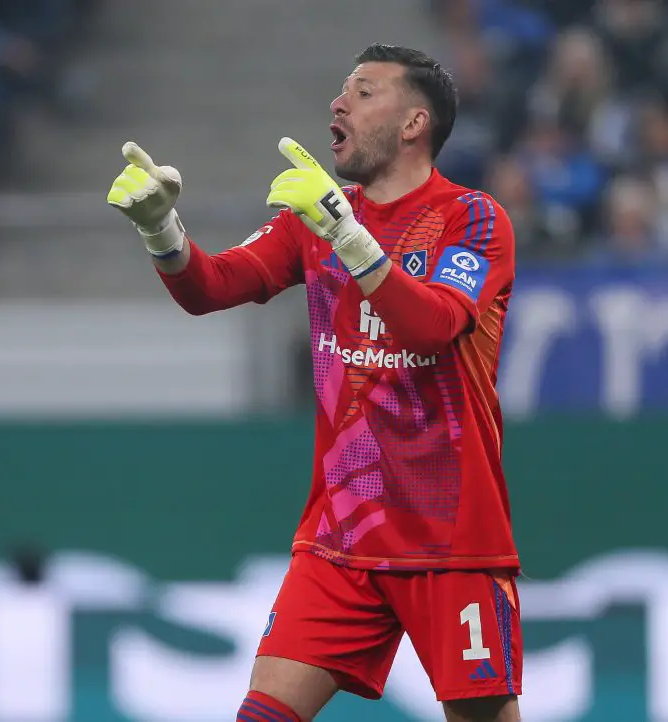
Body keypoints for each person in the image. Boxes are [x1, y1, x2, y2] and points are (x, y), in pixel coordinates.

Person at [106, 44, 521, 722]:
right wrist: (162, 230)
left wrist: (349, 235)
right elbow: (212, 287)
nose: (338, 102)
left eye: (363, 91)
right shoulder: (317, 220)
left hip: (452, 537)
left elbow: (435, 325)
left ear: (415, 122)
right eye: (341, 90)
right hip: (343, 533)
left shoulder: (471, 219)